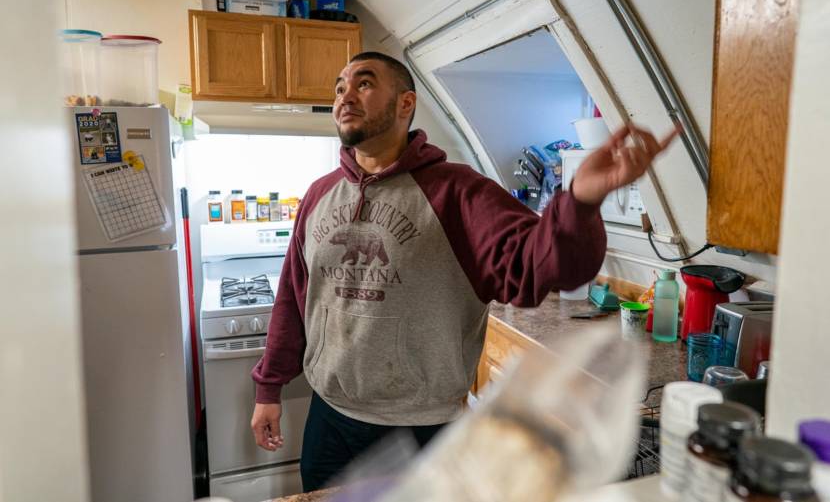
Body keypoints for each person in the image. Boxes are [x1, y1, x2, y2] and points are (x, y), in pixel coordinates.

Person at [250, 51, 677, 492]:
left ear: (405, 103)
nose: (345, 97)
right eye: (340, 87)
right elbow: (295, 298)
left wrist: (580, 201)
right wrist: (269, 387)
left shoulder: (458, 192)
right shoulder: (320, 194)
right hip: (330, 417)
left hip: (420, 428)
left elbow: (540, 267)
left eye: (364, 83)